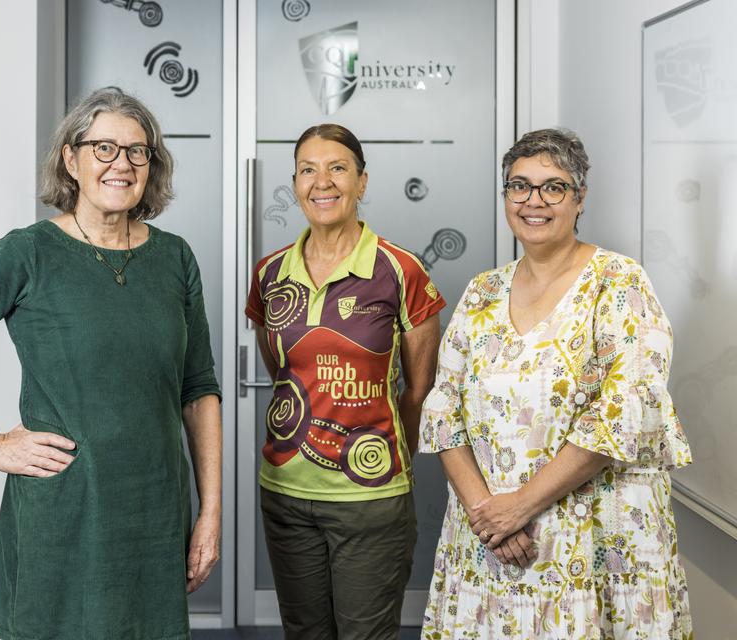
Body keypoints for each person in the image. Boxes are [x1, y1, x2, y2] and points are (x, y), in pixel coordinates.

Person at [0, 88, 221, 640]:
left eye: (138, 152)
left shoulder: (174, 257)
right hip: (62, 514)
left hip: (154, 514)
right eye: (104, 148)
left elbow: (198, 387)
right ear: (71, 158)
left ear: (152, 166)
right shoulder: (28, 254)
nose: (122, 163)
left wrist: (209, 512)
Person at [419, 128, 693, 638]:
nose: (533, 201)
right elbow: (443, 412)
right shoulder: (482, 291)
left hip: (590, 543)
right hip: (489, 540)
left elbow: (622, 416)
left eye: (553, 187)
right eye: (519, 186)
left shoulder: (619, 283)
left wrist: (519, 507)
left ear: (580, 198)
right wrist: (489, 517)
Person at [245, 123, 446, 639]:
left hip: (369, 499)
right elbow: (284, 373)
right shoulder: (270, 274)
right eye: (308, 170)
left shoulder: (401, 270)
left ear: (362, 181)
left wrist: (380, 445)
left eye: (338, 168)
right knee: (305, 633)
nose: (322, 182)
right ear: (294, 184)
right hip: (285, 490)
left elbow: (419, 391)